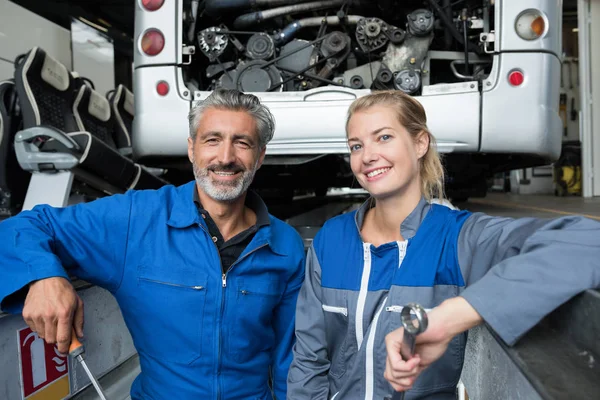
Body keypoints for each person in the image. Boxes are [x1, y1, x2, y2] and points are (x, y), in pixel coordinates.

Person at [286, 90, 600, 400]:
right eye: (356, 145)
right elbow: (309, 359)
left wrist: (451, 317)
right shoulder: (332, 239)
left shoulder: (458, 236)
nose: (367, 156)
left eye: (383, 137)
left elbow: (587, 240)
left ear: (420, 143)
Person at [0, 89, 305, 399]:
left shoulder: (285, 246)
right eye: (212, 140)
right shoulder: (136, 220)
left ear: (261, 155)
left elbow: (289, 361)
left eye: (242, 142)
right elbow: (26, 226)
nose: (225, 157)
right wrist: (43, 277)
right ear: (191, 149)